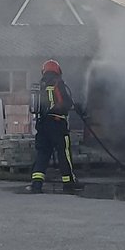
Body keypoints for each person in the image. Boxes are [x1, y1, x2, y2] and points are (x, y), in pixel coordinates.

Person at [29, 59, 84, 194]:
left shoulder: (40, 86)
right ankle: (68, 183)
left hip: (42, 125)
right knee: (63, 153)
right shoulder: (58, 83)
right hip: (57, 124)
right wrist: (77, 107)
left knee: (43, 153)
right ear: (57, 71)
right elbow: (66, 102)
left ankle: (36, 183)